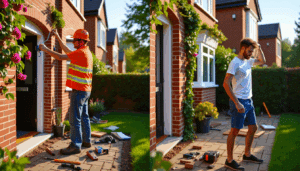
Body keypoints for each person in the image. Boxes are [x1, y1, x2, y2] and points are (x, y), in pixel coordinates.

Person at [39, 29, 93, 155]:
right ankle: (86, 141)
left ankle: (75, 145)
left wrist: (45, 49)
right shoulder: (85, 52)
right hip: (86, 91)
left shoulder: (81, 53)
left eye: (75, 40)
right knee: (84, 116)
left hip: (79, 91)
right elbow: (67, 51)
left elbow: (59, 56)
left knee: (74, 119)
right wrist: (57, 36)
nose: (73, 42)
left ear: (80, 41)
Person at [223, 38, 266, 170]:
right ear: (243, 48)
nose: (251, 53)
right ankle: (229, 160)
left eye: (252, 51)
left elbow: (263, 61)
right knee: (235, 131)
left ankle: (247, 154)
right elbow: (226, 83)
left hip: (249, 100)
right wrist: (236, 103)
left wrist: (259, 48)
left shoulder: (249, 61)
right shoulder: (235, 63)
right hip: (239, 102)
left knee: (253, 128)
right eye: (249, 51)